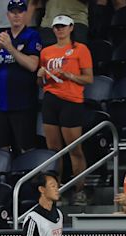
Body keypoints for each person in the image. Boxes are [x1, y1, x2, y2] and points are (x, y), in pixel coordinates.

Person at [38, 14, 93, 206]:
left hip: (71, 100)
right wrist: (40, 75)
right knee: (54, 150)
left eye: (63, 26)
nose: (59, 30)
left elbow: (89, 78)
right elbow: (41, 81)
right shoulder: (46, 52)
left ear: (71, 28)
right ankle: (56, 190)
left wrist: (69, 75)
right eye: (56, 27)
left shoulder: (80, 49)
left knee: (74, 149)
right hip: (51, 99)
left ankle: (80, 189)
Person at [0, 0, 41, 155]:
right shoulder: (1, 37)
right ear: (7, 15)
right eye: (13, 12)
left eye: (20, 11)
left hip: (23, 104)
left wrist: (10, 48)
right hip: (1, 104)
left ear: (25, 14)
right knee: (1, 149)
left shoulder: (32, 35)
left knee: (25, 149)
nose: (16, 15)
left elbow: (33, 65)